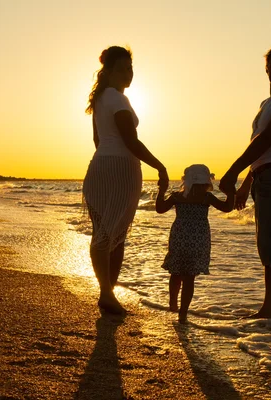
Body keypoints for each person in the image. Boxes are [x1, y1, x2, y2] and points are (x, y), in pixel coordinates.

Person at [219, 43, 271, 319]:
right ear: (266, 69)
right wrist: (246, 183)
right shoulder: (267, 103)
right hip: (266, 175)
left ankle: (270, 307)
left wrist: (233, 171)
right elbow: (259, 148)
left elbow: (267, 140)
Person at [83, 46, 169, 315]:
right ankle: (108, 293)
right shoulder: (119, 100)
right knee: (116, 235)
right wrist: (160, 167)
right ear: (108, 72)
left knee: (102, 232)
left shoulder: (99, 100)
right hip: (121, 167)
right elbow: (131, 141)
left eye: (130, 68)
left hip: (98, 165)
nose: (128, 74)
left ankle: (106, 292)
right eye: (122, 69)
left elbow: (97, 140)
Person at [156, 164, 234, 323]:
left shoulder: (177, 196)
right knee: (189, 277)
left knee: (176, 271)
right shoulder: (206, 198)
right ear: (206, 181)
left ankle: (173, 303)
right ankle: (183, 313)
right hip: (198, 239)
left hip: (179, 237)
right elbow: (227, 208)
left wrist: (161, 191)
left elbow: (160, 208)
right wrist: (231, 193)